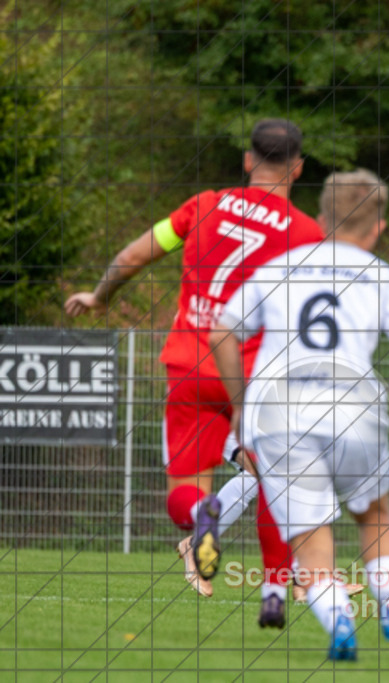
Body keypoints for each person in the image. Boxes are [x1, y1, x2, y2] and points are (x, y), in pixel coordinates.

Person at [64, 118, 323, 626]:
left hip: (190, 364)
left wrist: (99, 297)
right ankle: (275, 590)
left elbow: (132, 255)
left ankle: (201, 521)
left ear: (248, 160)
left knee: (187, 489)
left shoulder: (201, 206)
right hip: (253, 376)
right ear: (297, 168)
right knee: (275, 479)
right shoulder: (306, 232)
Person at [210, 169, 389, 662]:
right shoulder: (382, 275)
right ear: (378, 225)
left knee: (311, 533)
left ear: (320, 219)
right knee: (374, 514)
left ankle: (339, 619)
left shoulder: (279, 268)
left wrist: (238, 407)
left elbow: (221, 334)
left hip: (278, 412)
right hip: (353, 405)